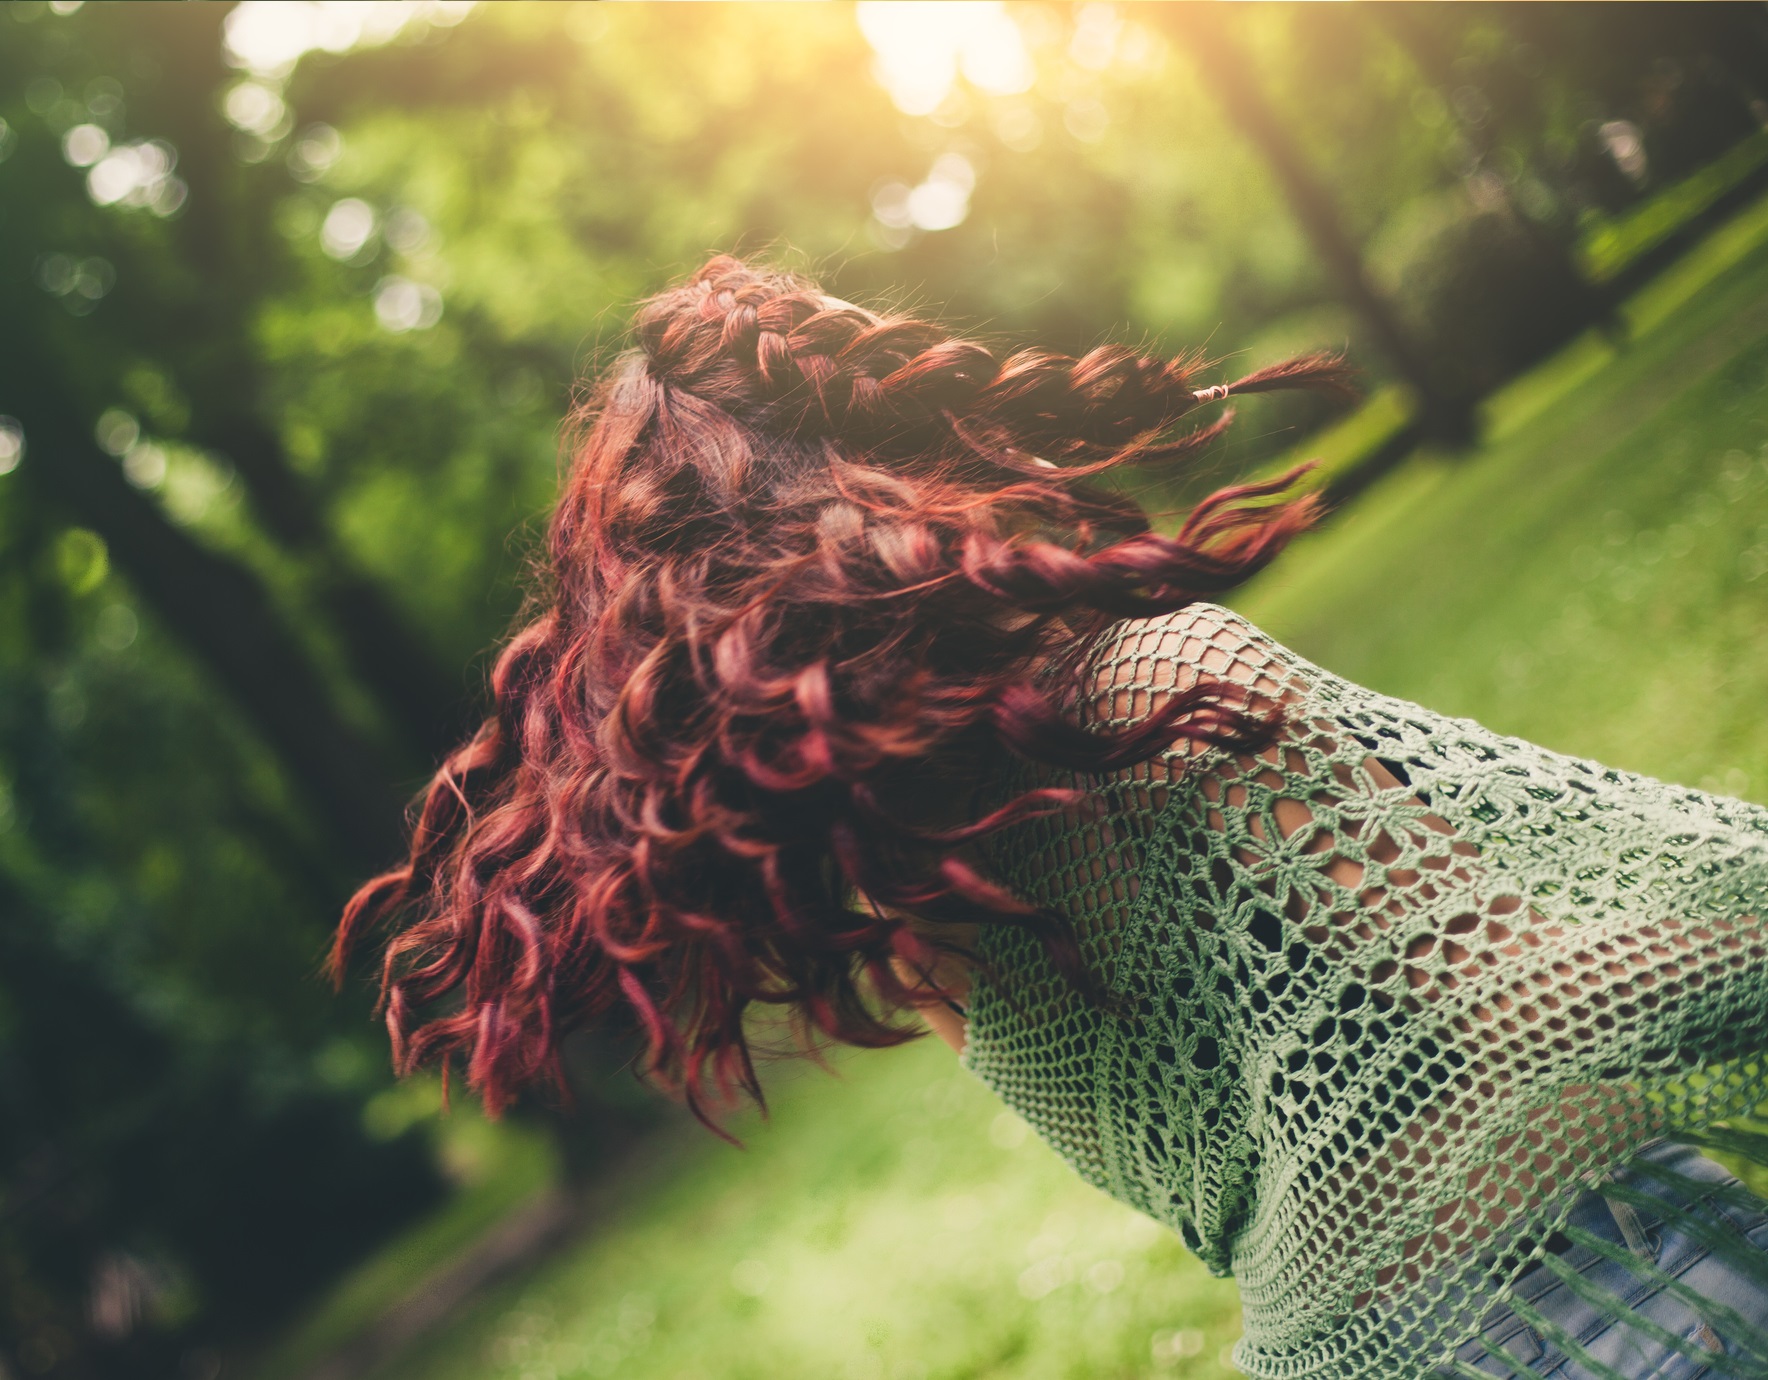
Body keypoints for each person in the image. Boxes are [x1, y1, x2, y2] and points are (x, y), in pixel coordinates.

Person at [335, 256, 1768, 1379]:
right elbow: (1535, 992)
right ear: (899, 459)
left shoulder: (920, 909)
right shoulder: (1166, 684)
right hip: (1625, 1296)